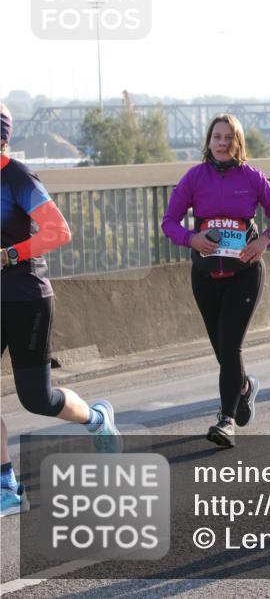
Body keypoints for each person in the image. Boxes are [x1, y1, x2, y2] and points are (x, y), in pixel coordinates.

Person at [1, 103, 122, 517]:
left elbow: (59, 230)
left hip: (26, 299)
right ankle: (7, 487)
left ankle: (96, 418)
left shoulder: (17, 177)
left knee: (37, 399)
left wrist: (10, 254)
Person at [161, 114, 270, 448]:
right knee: (222, 349)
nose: (222, 143)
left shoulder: (252, 178)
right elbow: (169, 222)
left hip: (244, 274)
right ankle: (245, 387)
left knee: (230, 345)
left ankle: (226, 419)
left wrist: (263, 241)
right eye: (216, 137)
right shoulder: (194, 177)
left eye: (228, 138)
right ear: (208, 141)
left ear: (238, 143)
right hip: (206, 276)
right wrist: (191, 238)